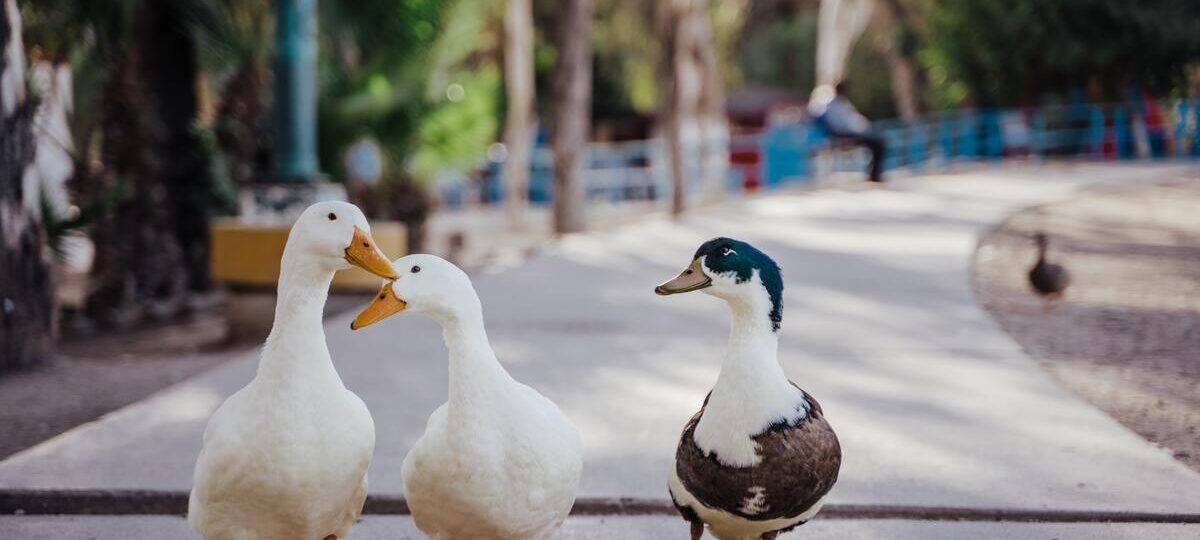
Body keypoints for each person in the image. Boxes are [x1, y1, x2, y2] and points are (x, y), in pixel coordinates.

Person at [809, 81, 886, 182]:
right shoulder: (832, 104)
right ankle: (874, 175)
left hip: (850, 133)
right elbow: (844, 125)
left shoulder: (839, 103)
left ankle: (873, 174)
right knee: (877, 143)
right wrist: (862, 130)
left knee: (878, 141)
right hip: (844, 135)